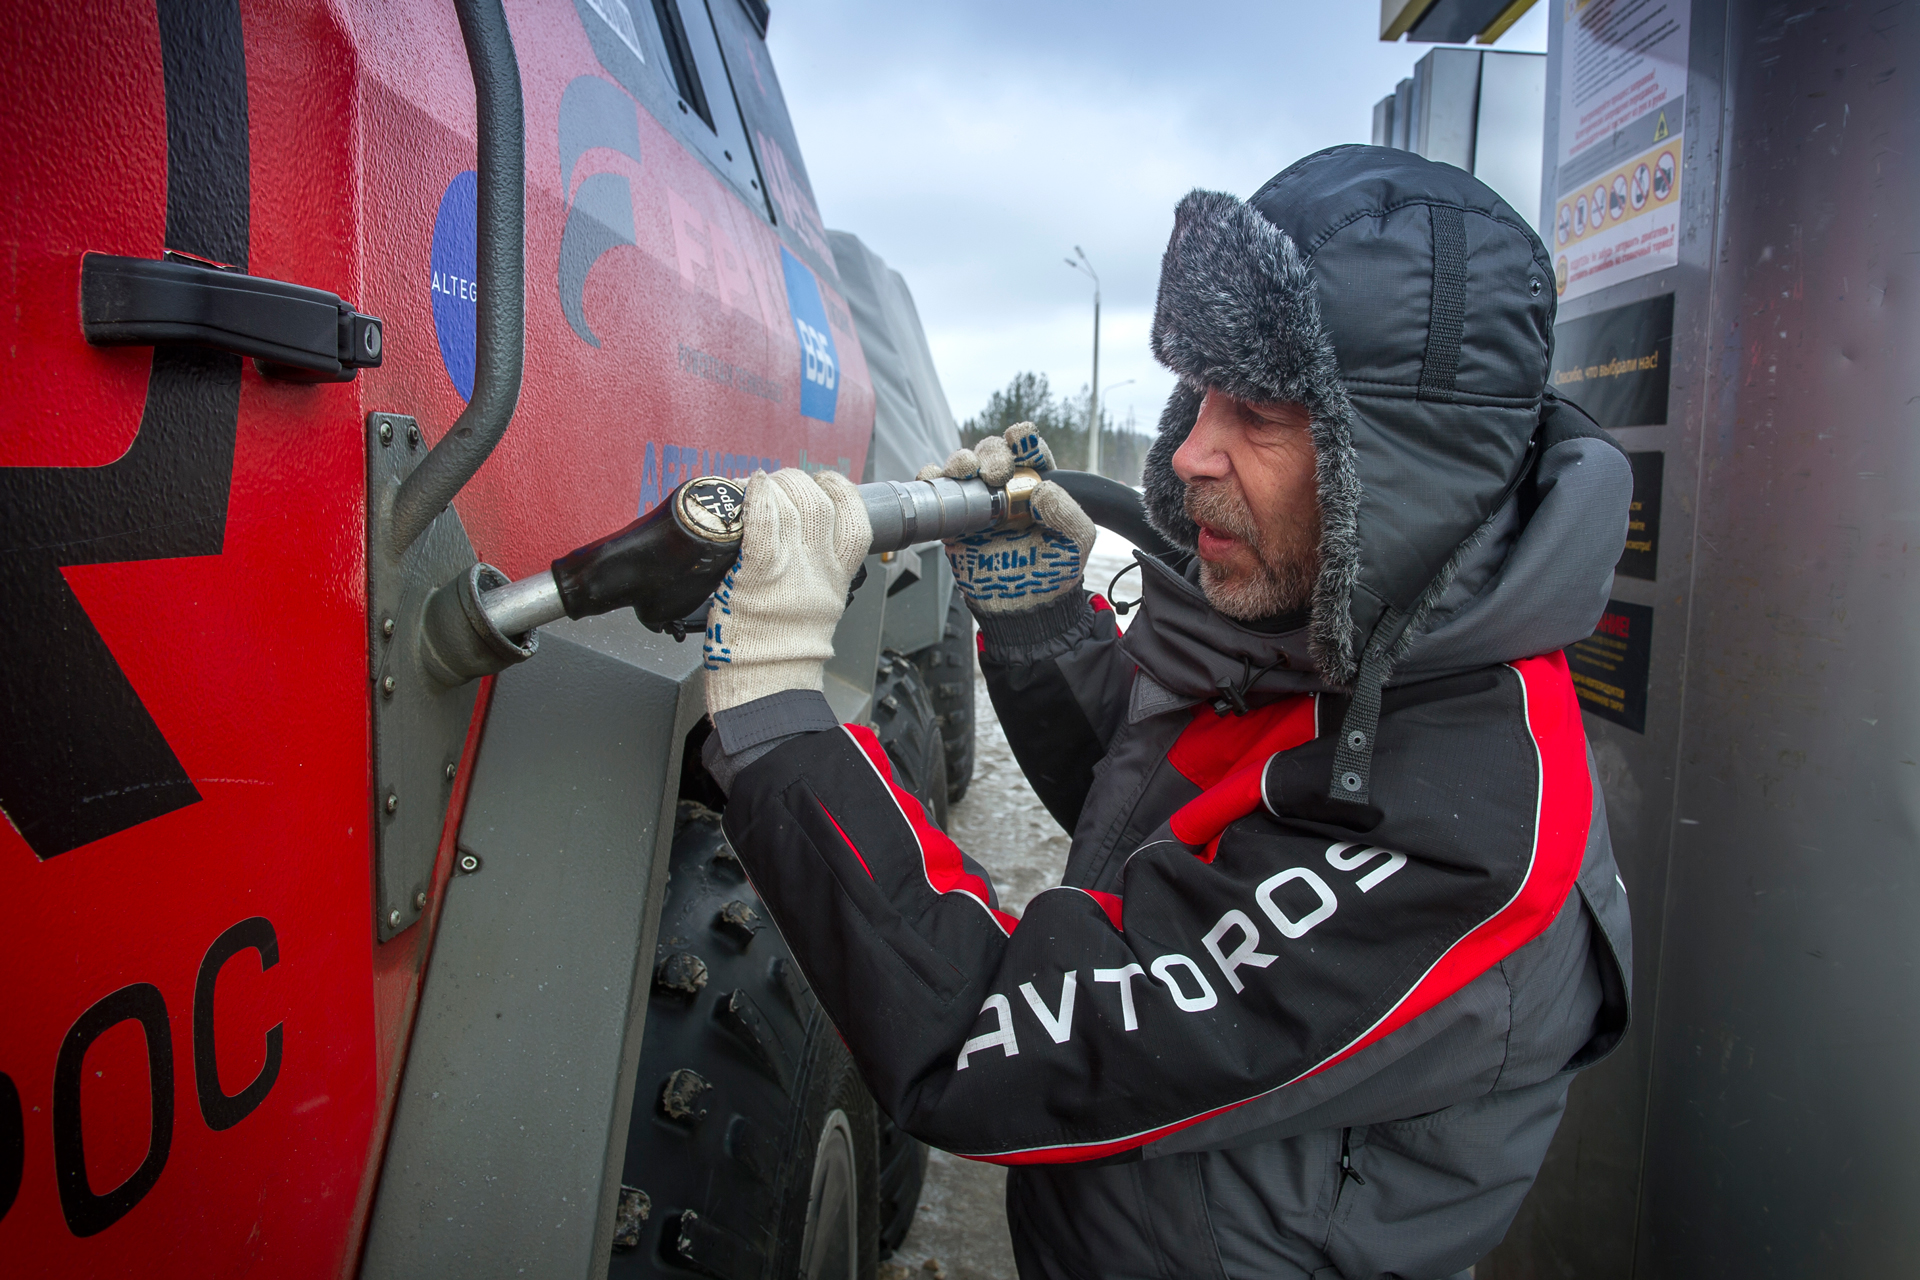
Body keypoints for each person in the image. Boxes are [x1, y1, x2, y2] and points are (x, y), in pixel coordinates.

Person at [697, 146, 1633, 1280]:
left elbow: (1007, 1038)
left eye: (1259, 411)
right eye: (1200, 394)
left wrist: (782, 719)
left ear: (1403, 466)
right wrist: (1043, 624)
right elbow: (1170, 834)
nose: (1188, 451)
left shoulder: (1465, 824)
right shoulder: (1345, 652)